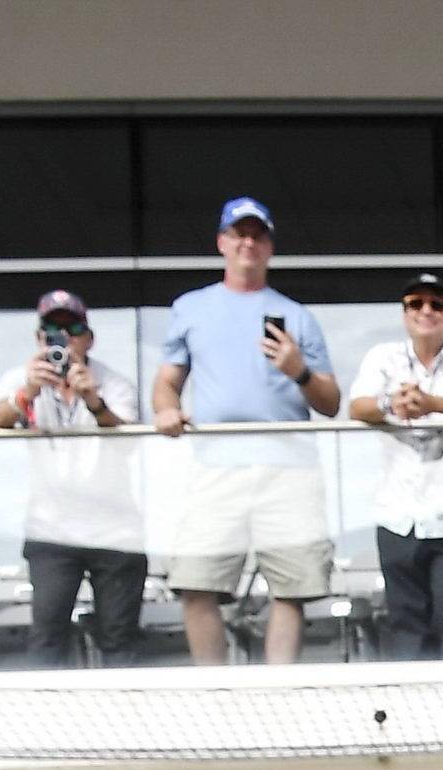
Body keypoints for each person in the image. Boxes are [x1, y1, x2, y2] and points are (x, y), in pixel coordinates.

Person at [151, 194, 341, 668]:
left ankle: (278, 696)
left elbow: (330, 402)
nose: (248, 244)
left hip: (289, 468)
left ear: (270, 246)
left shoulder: (297, 315)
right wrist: (167, 410)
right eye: (239, 234)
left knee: (291, 587)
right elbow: (167, 382)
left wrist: (298, 370)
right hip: (216, 466)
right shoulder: (191, 308)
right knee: (195, 583)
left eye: (258, 235)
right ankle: (215, 693)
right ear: (222, 242)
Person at [0, 288, 151, 669]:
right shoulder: (21, 379)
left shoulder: (112, 382)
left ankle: (124, 705)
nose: (64, 340)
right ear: (39, 338)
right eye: (53, 331)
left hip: (115, 526)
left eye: (73, 329)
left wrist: (94, 401)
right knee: (48, 635)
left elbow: (131, 444)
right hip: (51, 528)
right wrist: (27, 392)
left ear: (89, 338)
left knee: (119, 638)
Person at [346, 270, 443, 664]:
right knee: (406, 621)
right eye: (415, 303)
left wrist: (433, 404)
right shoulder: (382, 357)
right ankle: (410, 700)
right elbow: (357, 406)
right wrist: (391, 403)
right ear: (404, 314)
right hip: (398, 513)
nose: (426, 311)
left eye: (437, 304)